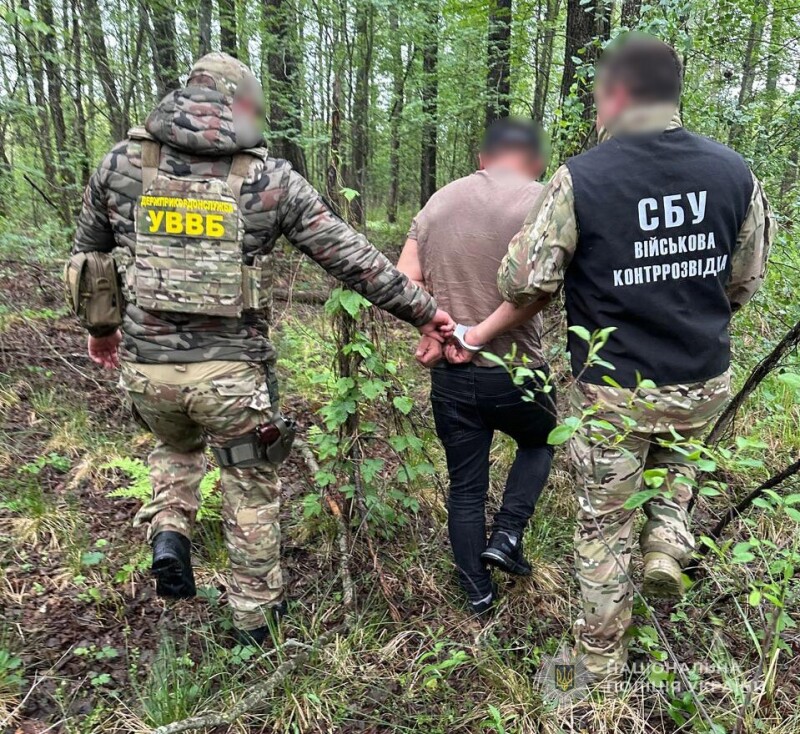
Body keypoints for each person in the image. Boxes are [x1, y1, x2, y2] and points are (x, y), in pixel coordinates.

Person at [67, 53, 453, 645]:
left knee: (175, 444)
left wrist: (102, 331)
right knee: (248, 483)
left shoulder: (121, 163)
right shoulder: (268, 178)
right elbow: (353, 259)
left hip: (146, 369)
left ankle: (170, 530)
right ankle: (254, 618)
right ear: (241, 103)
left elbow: (89, 257)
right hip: (230, 378)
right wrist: (426, 314)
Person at [445, 36, 773, 678]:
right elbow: (746, 280)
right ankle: (668, 535)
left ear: (619, 94)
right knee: (677, 455)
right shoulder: (735, 172)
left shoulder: (582, 177)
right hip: (702, 379)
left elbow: (524, 283)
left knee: (604, 527)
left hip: (615, 390)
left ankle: (597, 666)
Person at [397, 119, 557, 615]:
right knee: (541, 440)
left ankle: (478, 594)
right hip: (517, 369)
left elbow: (403, 279)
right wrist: (480, 334)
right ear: (536, 160)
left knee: (465, 486)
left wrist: (432, 329)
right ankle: (507, 535)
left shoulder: (438, 202)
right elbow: (541, 288)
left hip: (451, 372)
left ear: (483, 157)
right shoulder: (544, 201)